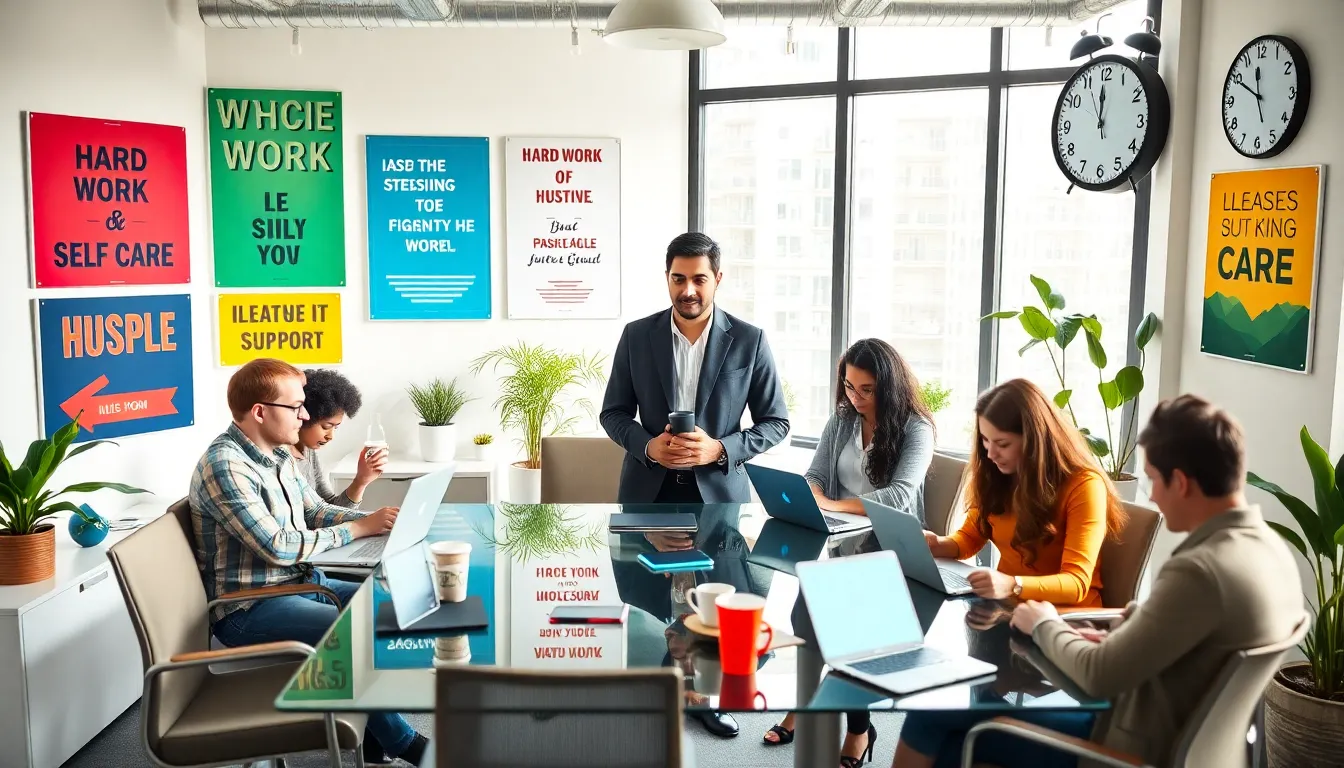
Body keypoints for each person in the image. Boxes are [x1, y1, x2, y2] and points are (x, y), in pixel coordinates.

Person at [892, 394, 1304, 768]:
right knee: (949, 735)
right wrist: (1127, 632)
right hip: (1193, 746)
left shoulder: (1201, 570)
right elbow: (1188, 640)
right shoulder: (1270, 552)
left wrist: (1045, 624)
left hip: (1128, 748)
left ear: (1180, 481)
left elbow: (1099, 678)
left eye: (1152, 481)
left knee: (935, 726)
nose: (1153, 498)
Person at [189, 358, 429, 766]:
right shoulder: (226, 464)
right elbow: (279, 546)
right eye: (296, 407)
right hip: (249, 606)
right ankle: (404, 743)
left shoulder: (277, 454)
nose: (304, 415)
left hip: (300, 584)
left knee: (394, 606)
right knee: (355, 636)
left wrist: (382, 522)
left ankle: (375, 732)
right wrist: (359, 529)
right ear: (261, 412)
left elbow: (316, 510)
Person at [601, 231, 790, 738]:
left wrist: (720, 449)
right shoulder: (636, 335)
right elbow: (613, 413)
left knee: (713, 612)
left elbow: (776, 423)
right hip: (647, 498)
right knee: (650, 606)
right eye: (679, 278)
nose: (689, 290)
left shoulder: (749, 340)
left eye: (699, 279)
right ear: (667, 279)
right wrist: (647, 445)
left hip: (720, 505)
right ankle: (659, 693)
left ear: (717, 280)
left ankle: (703, 695)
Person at [763, 338, 937, 764]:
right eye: (849, 386)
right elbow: (815, 474)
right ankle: (806, 701)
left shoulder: (917, 428)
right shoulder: (842, 419)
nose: (854, 398)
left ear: (888, 387)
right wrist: (813, 497)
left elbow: (898, 497)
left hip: (890, 551)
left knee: (846, 627)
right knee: (804, 615)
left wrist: (832, 505)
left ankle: (858, 730)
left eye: (866, 390)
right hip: (840, 543)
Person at [922, 378, 1125, 608]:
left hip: (1065, 621)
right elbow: (970, 537)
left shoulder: (1084, 485)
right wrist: (940, 544)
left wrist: (1013, 584)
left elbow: (1076, 583)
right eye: (985, 441)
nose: (991, 454)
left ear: (1034, 441)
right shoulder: (998, 475)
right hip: (1009, 609)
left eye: (1003, 444)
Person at [292, 368, 388, 507]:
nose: (331, 436)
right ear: (304, 416)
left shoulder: (308, 452)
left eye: (335, 427)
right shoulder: (282, 459)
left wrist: (361, 481)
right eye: (326, 426)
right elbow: (317, 517)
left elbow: (329, 507)